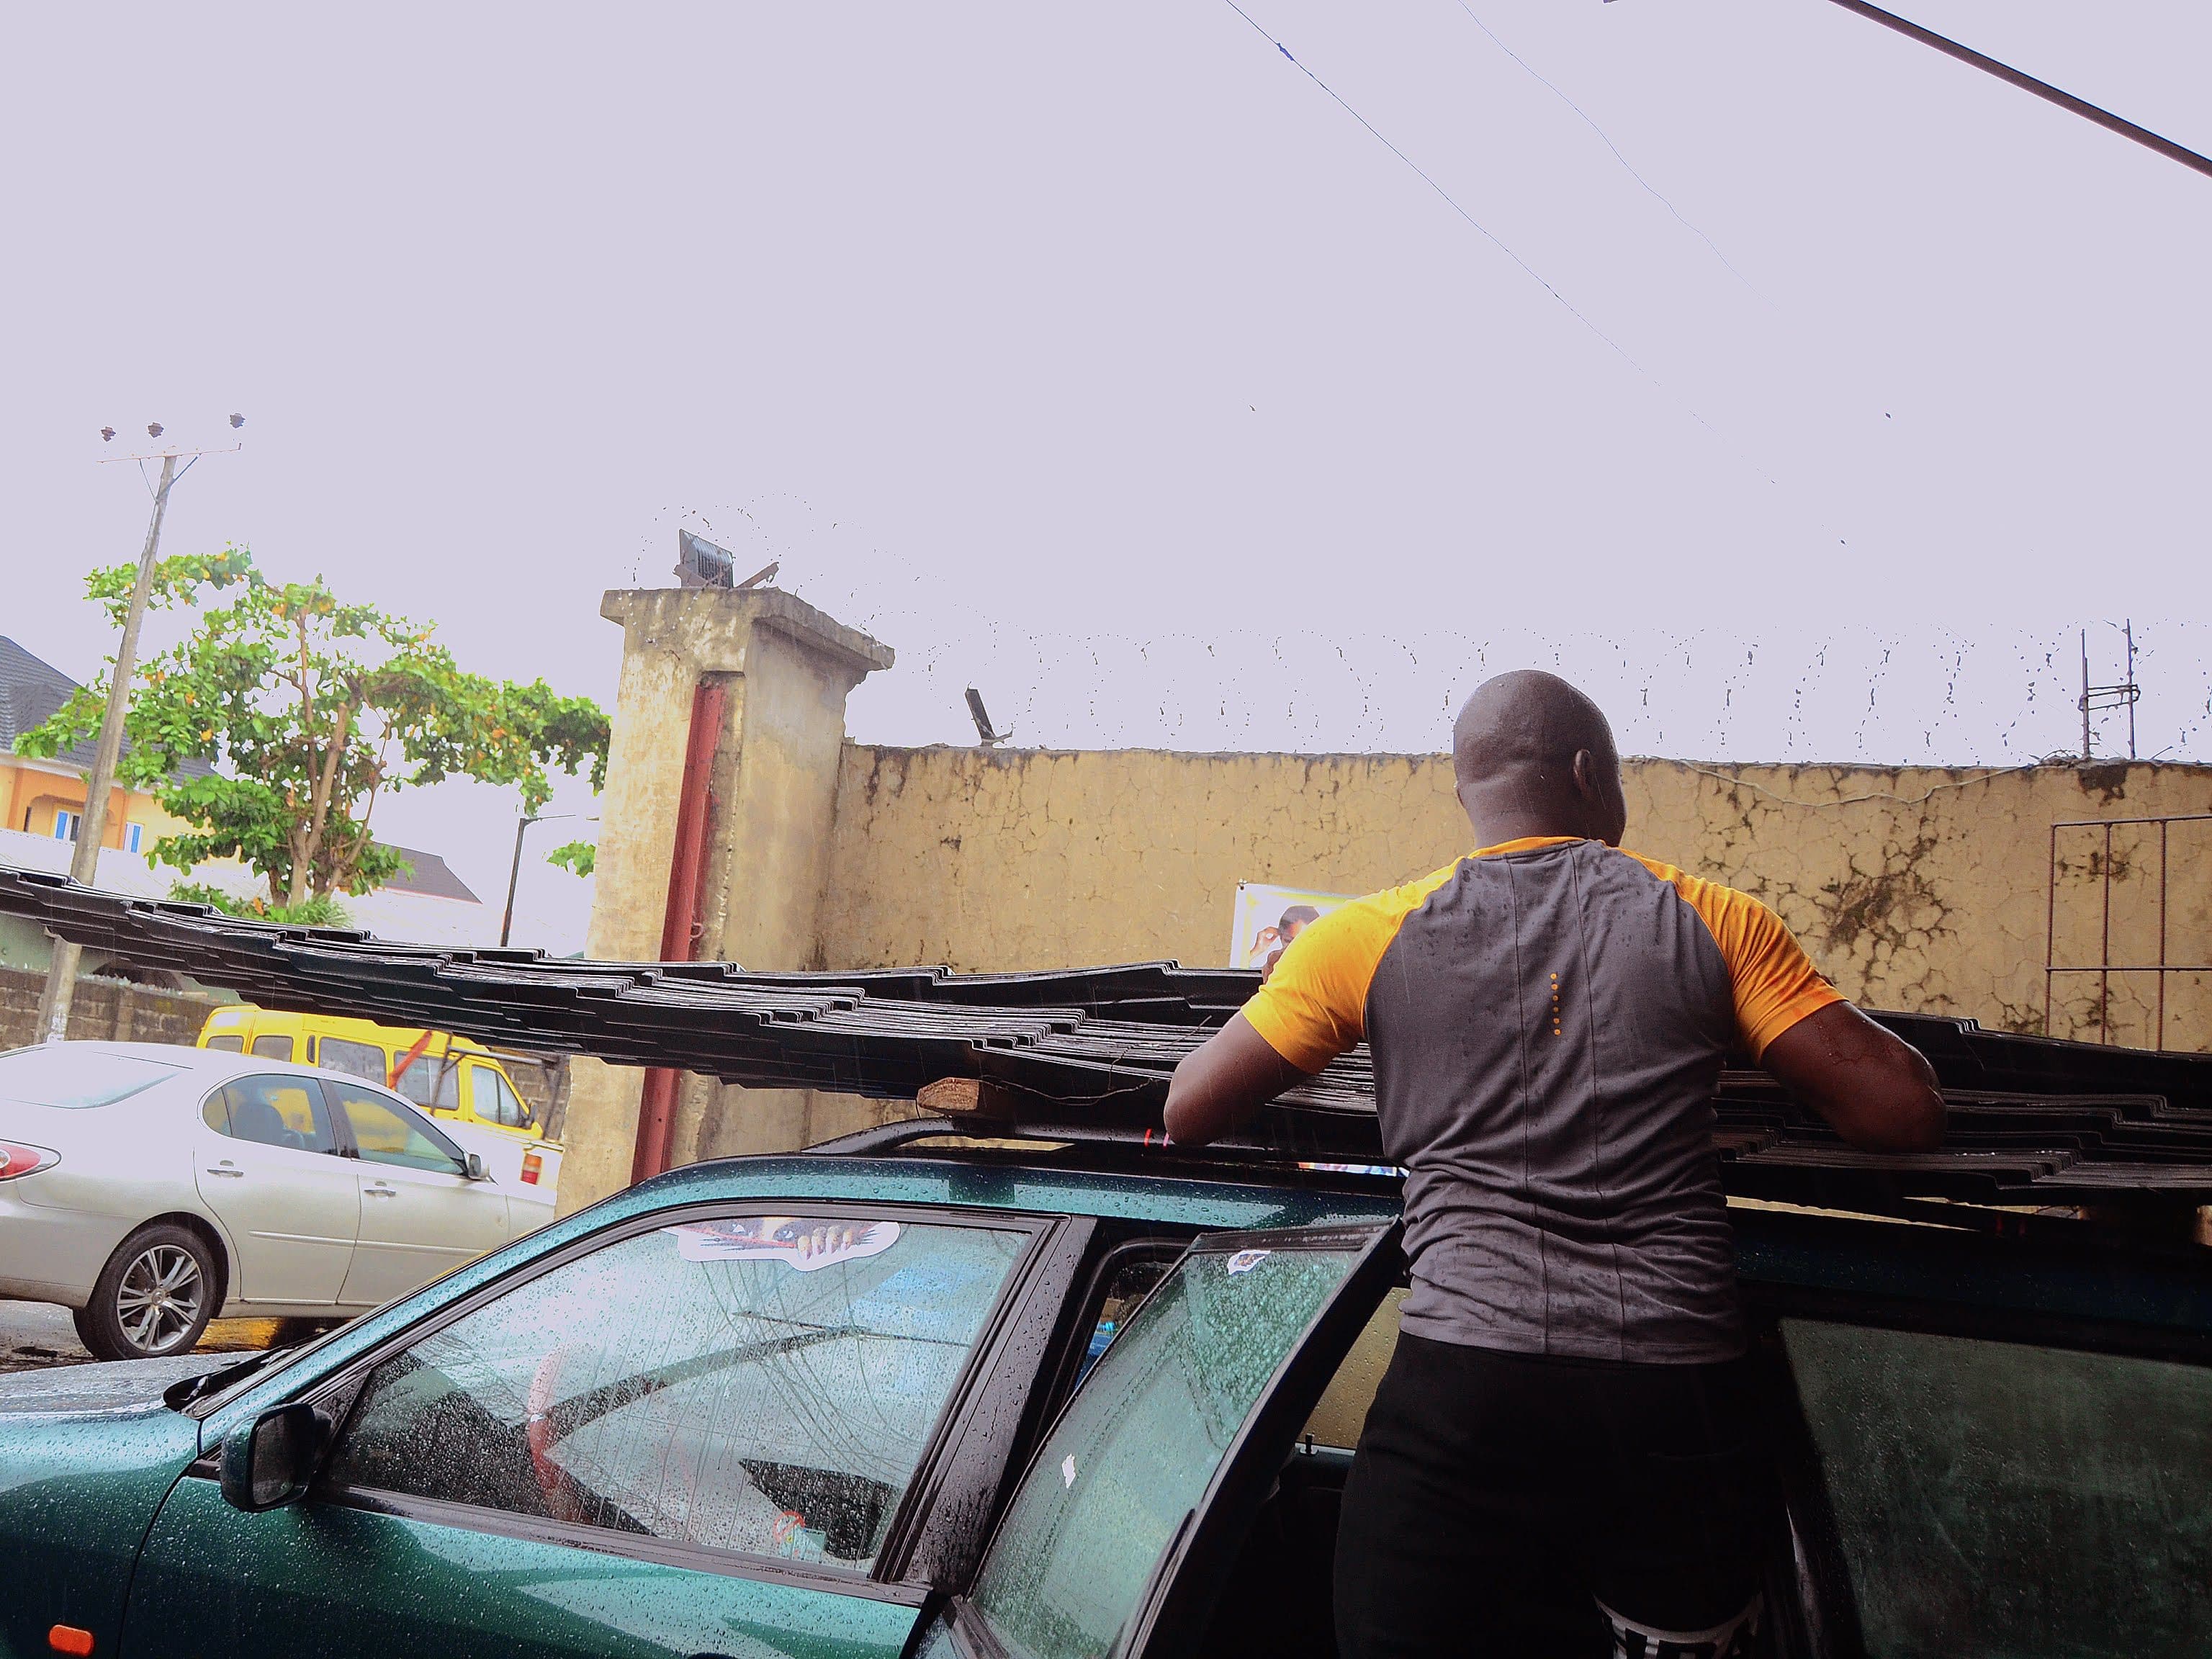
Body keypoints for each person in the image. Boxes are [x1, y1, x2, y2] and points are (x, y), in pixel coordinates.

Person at [1164, 670, 1945, 1658]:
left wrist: (1303, 996)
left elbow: (1189, 1107)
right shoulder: (1715, 921)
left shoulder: (1362, 939)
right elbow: (1901, 1110)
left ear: (1467, 790)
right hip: (1676, 1398)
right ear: (1588, 773)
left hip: (1462, 1396)